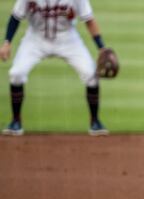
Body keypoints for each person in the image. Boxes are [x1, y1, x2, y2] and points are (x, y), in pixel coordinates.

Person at [0, 0, 109, 136]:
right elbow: (15, 16)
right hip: (35, 39)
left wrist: (101, 47)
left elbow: (89, 19)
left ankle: (95, 122)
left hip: (67, 39)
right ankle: (15, 121)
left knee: (91, 74)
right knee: (16, 73)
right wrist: (7, 42)